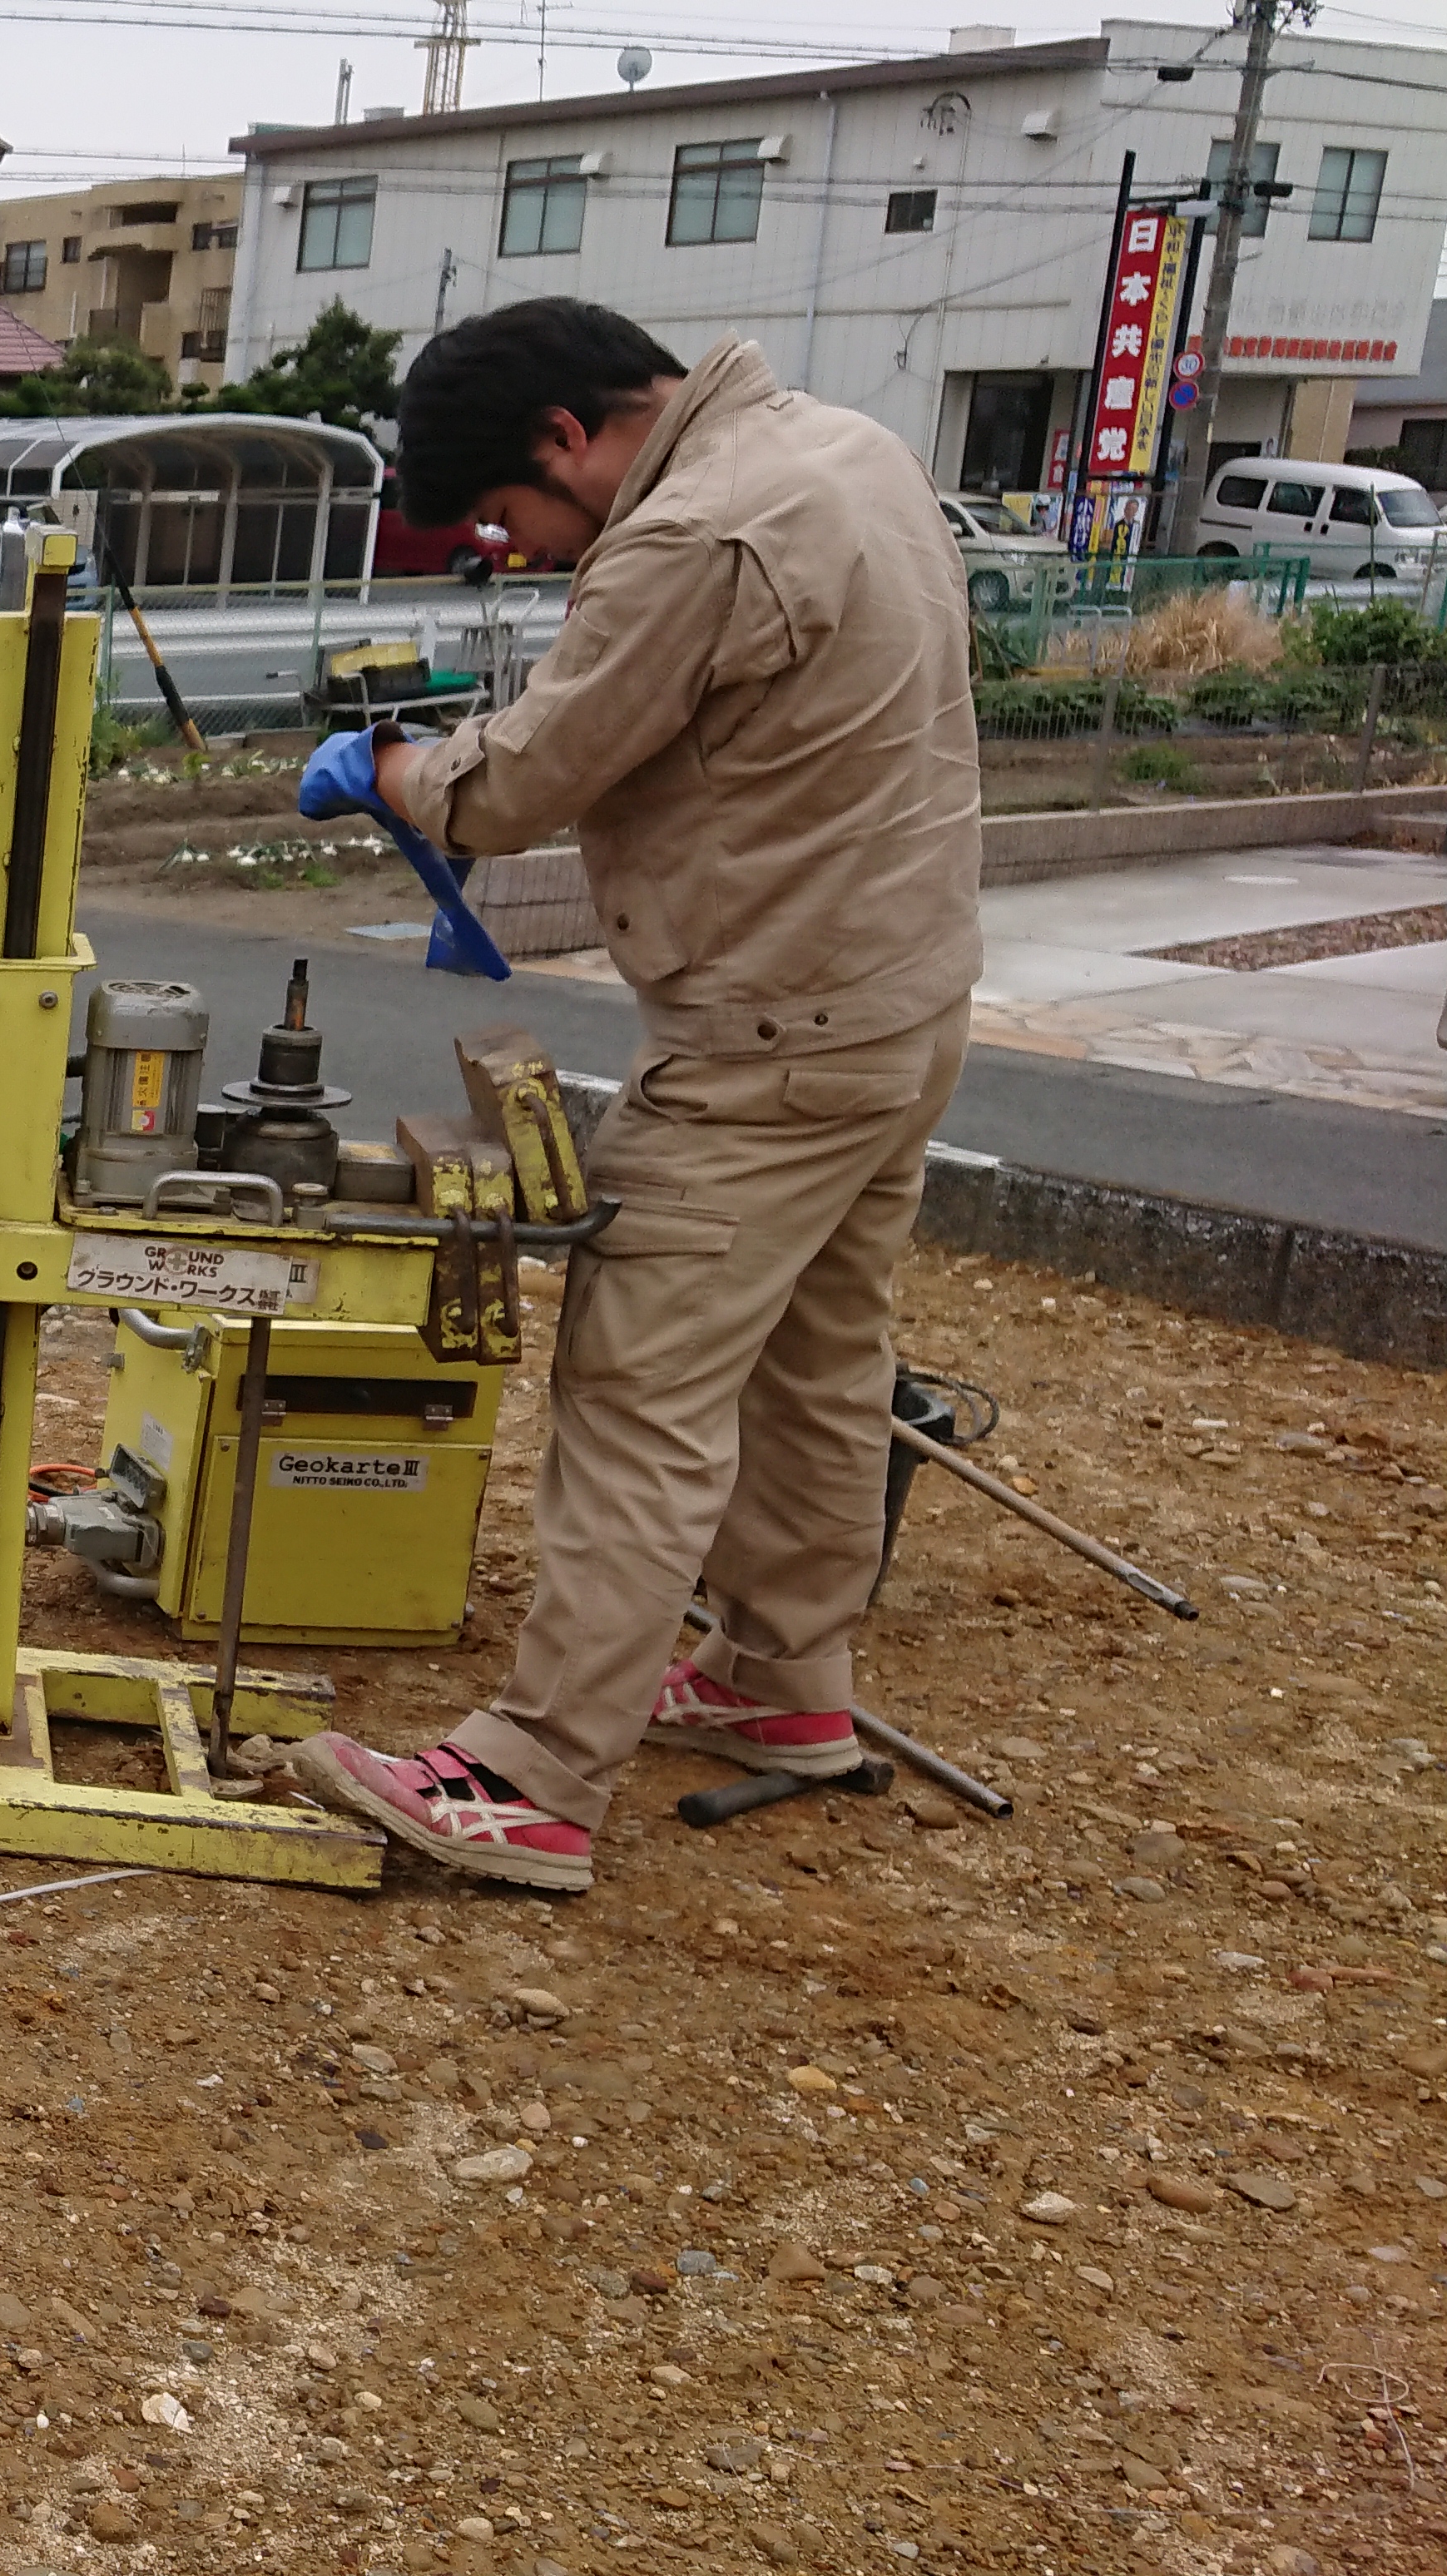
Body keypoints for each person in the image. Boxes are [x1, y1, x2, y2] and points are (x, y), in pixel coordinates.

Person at [279, 299, 982, 1895]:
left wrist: (386, 768)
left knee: (639, 1393)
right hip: (901, 1007)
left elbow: (518, 784)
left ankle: (533, 1777)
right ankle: (780, 1684)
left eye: (506, 519)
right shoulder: (849, 453)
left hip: (764, 1039)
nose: (513, 552)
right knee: (819, 1365)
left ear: (567, 441)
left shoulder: (697, 532)